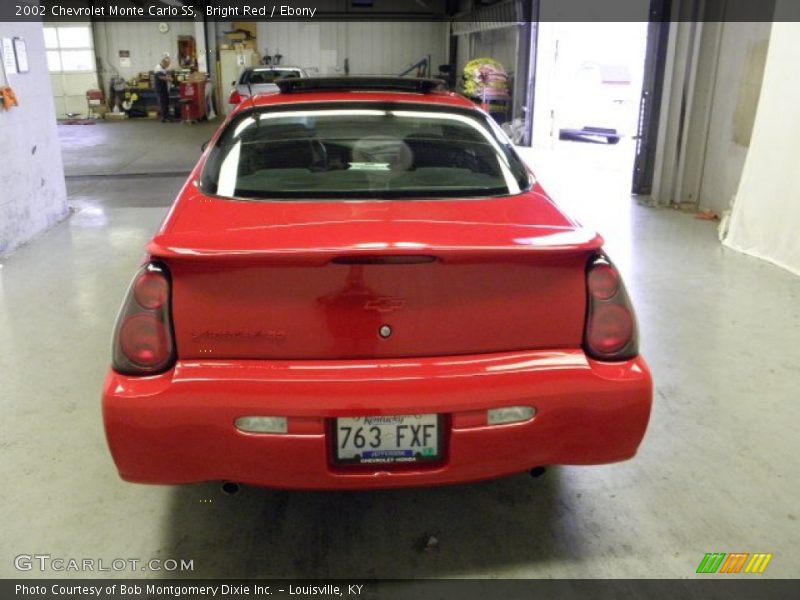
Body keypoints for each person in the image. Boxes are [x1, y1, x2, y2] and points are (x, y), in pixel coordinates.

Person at [154, 55, 172, 122]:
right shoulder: (158, 68)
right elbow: (161, 77)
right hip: (160, 89)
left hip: (164, 88)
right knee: (163, 103)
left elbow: (164, 75)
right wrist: (169, 79)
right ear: (164, 63)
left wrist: (168, 76)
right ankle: (164, 118)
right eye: (167, 65)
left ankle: (166, 116)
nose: (167, 66)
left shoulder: (162, 68)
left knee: (166, 103)